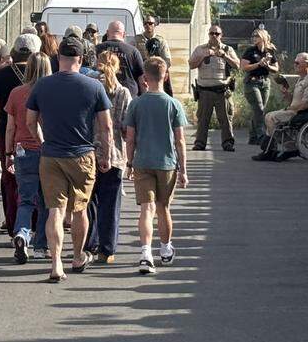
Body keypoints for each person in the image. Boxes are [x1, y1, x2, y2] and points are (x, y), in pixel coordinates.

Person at [26, 34, 113, 282]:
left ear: (58, 58)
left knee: (55, 209)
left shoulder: (42, 85)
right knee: (79, 209)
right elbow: (106, 126)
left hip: (51, 154)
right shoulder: (94, 86)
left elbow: (30, 121)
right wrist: (105, 154)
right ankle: (77, 256)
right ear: (81, 58)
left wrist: (41, 141)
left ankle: (56, 263)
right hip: (82, 155)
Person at [124, 57, 189, 275]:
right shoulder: (173, 104)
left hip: (143, 161)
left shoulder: (136, 104)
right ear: (166, 76)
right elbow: (180, 140)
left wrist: (129, 162)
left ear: (144, 78)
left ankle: (145, 254)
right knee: (163, 208)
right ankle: (165, 248)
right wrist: (183, 169)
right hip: (167, 162)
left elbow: (130, 138)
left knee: (146, 209)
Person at [85, 50, 132, 263]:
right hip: (115, 155)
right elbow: (126, 127)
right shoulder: (123, 93)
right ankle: (107, 249)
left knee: (89, 202)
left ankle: (89, 243)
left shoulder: (89, 88)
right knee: (110, 204)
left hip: (89, 151)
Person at [0, 33, 41, 237]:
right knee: (38, 182)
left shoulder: (0, 76)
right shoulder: (42, 77)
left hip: (7, 132)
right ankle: (36, 226)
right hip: (36, 134)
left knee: (10, 180)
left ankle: (13, 223)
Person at [5, 50, 51, 261]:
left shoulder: (16, 93)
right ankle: (41, 245)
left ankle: (22, 233)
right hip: (47, 150)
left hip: (23, 149)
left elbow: (10, 127)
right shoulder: (52, 92)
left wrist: (8, 153)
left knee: (25, 199)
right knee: (46, 201)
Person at [255, 53, 308, 161]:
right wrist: (287, 95)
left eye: (297, 63)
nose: (294, 65)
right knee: (269, 116)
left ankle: (280, 149)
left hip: (304, 112)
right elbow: (295, 101)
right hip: (296, 110)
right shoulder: (302, 78)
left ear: (307, 64)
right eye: (294, 62)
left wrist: (289, 109)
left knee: (271, 118)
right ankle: (280, 148)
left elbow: (307, 104)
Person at [188, 24, 239, 152]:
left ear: (221, 35)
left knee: (226, 119)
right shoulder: (200, 49)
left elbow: (237, 65)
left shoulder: (227, 49)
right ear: (208, 35)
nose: (214, 36)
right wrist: (203, 56)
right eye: (212, 33)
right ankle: (200, 143)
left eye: (217, 33)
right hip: (205, 91)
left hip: (222, 91)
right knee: (203, 119)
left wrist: (224, 56)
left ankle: (228, 143)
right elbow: (191, 64)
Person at [240, 28, 279, 147]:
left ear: (263, 37)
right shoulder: (250, 51)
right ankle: (261, 136)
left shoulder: (270, 51)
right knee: (259, 109)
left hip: (265, 82)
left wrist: (267, 66)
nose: (254, 37)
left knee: (258, 111)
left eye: (256, 36)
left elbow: (276, 69)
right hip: (252, 82)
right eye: (253, 36)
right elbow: (243, 67)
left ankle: (253, 137)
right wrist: (258, 64)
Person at [96, 20, 146, 99]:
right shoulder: (133, 51)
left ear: (107, 32)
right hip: (129, 96)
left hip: (102, 96)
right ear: (124, 34)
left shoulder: (97, 49)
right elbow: (141, 78)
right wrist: (144, 98)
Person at [140, 16, 174, 96]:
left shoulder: (161, 41)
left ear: (155, 25)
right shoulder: (136, 40)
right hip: (142, 74)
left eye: (150, 23)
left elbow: (167, 61)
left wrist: (159, 69)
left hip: (158, 74)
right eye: (145, 23)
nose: (147, 25)